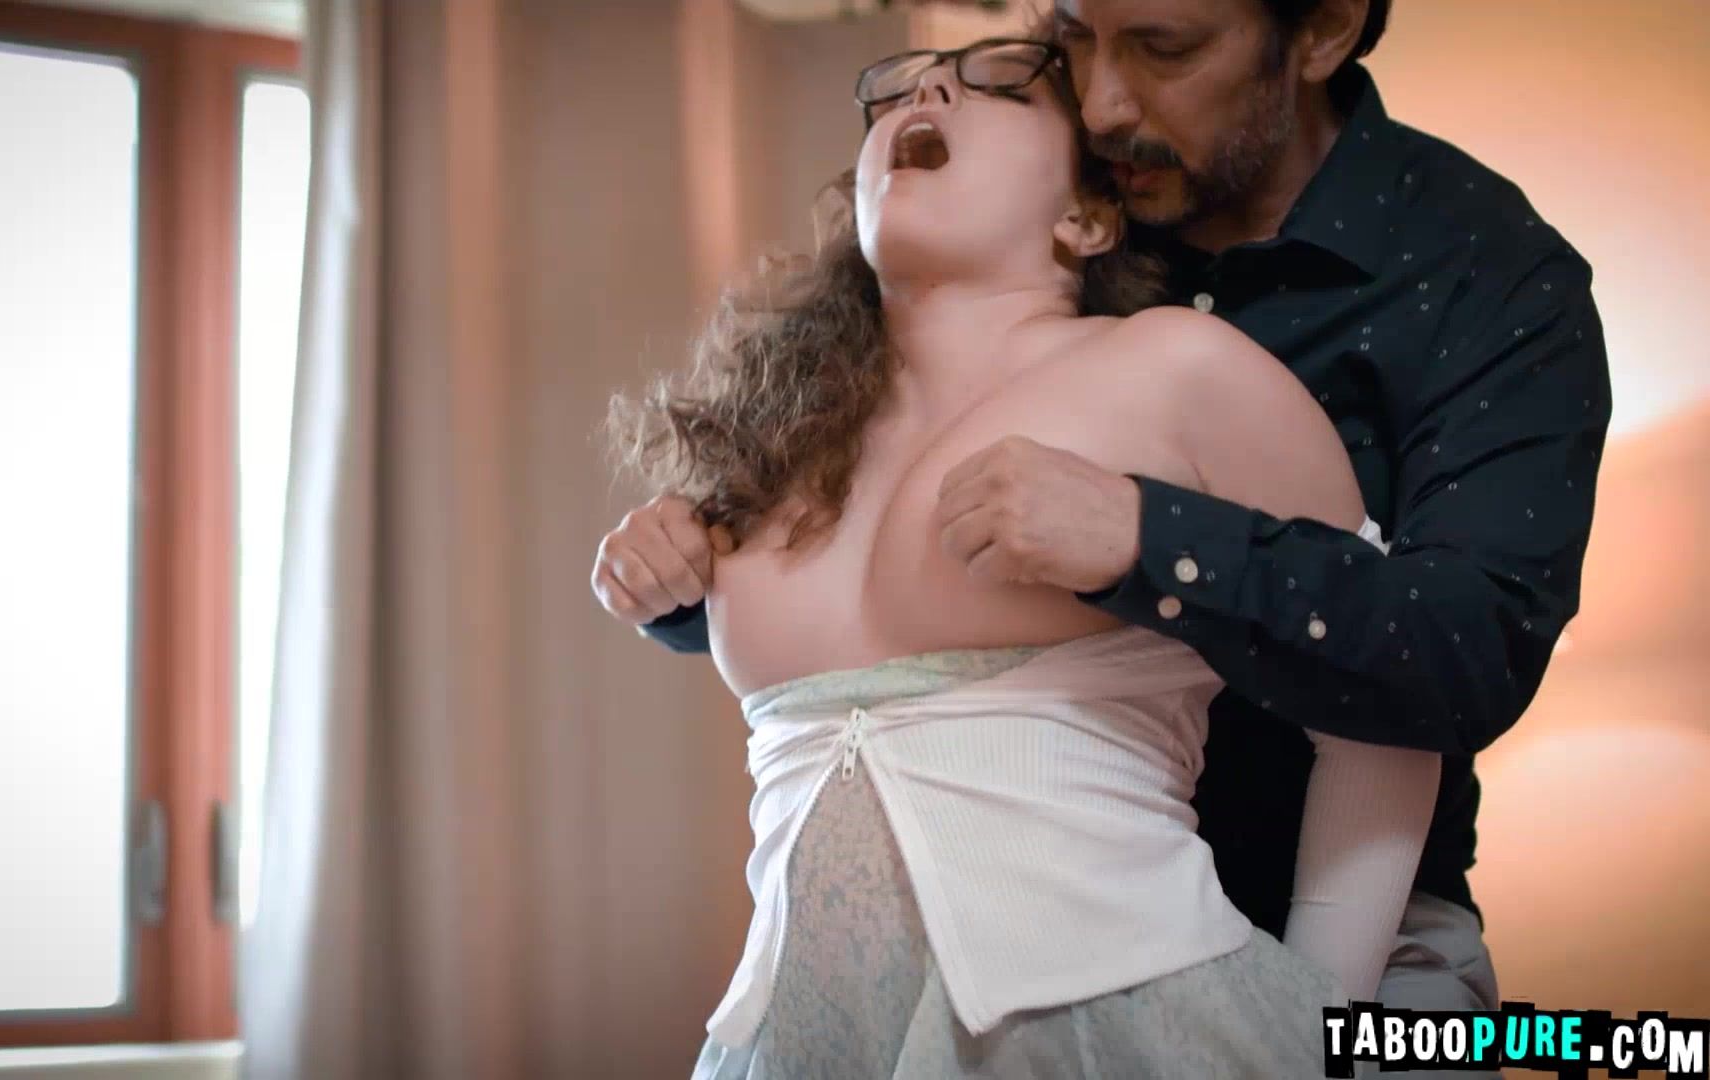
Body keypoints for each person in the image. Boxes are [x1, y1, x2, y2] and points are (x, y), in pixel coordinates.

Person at [604, 0, 1611, 1060]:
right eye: (1075, 36)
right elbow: (888, 642)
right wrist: (686, 581)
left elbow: (1459, 652)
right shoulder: (1011, 241)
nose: (1099, 101)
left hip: (1334, 928)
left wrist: (1148, 538)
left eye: (1164, 46)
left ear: (1320, 31)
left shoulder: (1475, 271)